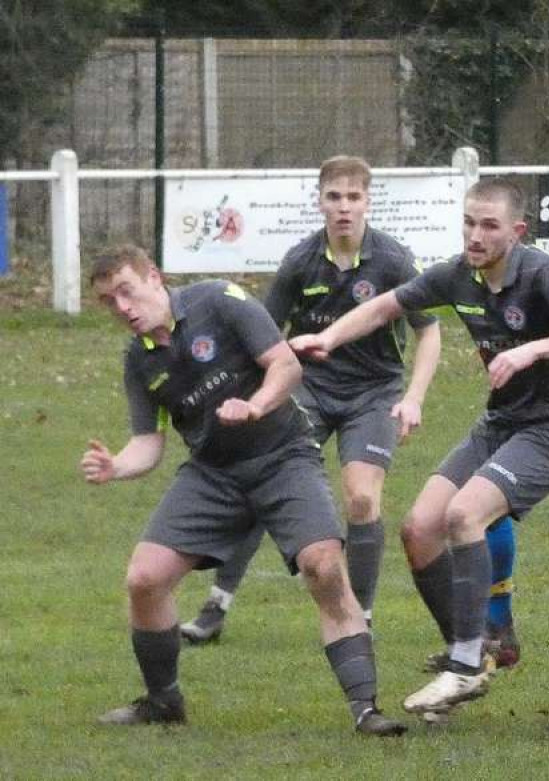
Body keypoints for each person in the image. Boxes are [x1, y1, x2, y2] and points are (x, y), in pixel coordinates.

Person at [288, 178, 549, 717]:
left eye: (489, 225)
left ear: (516, 232)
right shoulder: (458, 274)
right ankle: (469, 653)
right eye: (469, 222)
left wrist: (533, 351)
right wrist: (327, 339)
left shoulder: (541, 273)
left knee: (464, 515)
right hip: (503, 419)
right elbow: (385, 307)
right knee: (419, 530)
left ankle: (465, 665)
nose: (474, 235)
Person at [80, 245, 405, 736]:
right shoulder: (139, 361)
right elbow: (148, 444)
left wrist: (255, 405)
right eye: (109, 302)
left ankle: (366, 709)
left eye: (126, 291)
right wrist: (115, 466)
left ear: (154, 277)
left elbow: (286, 366)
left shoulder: (220, 300)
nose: (122, 308)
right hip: (213, 473)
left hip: (284, 457)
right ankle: (163, 702)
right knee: (144, 578)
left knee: (323, 567)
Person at [180, 155, 443, 643]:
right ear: (320, 201)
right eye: (334, 197)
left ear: (368, 201)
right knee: (263, 486)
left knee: (362, 498)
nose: (344, 207)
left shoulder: (393, 260)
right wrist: (251, 395)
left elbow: (429, 332)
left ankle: (359, 617)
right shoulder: (299, 262)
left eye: (354, 197)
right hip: (310, 390)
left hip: (374, 392)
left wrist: (415, 397)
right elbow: (261, 335)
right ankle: (216, 607)